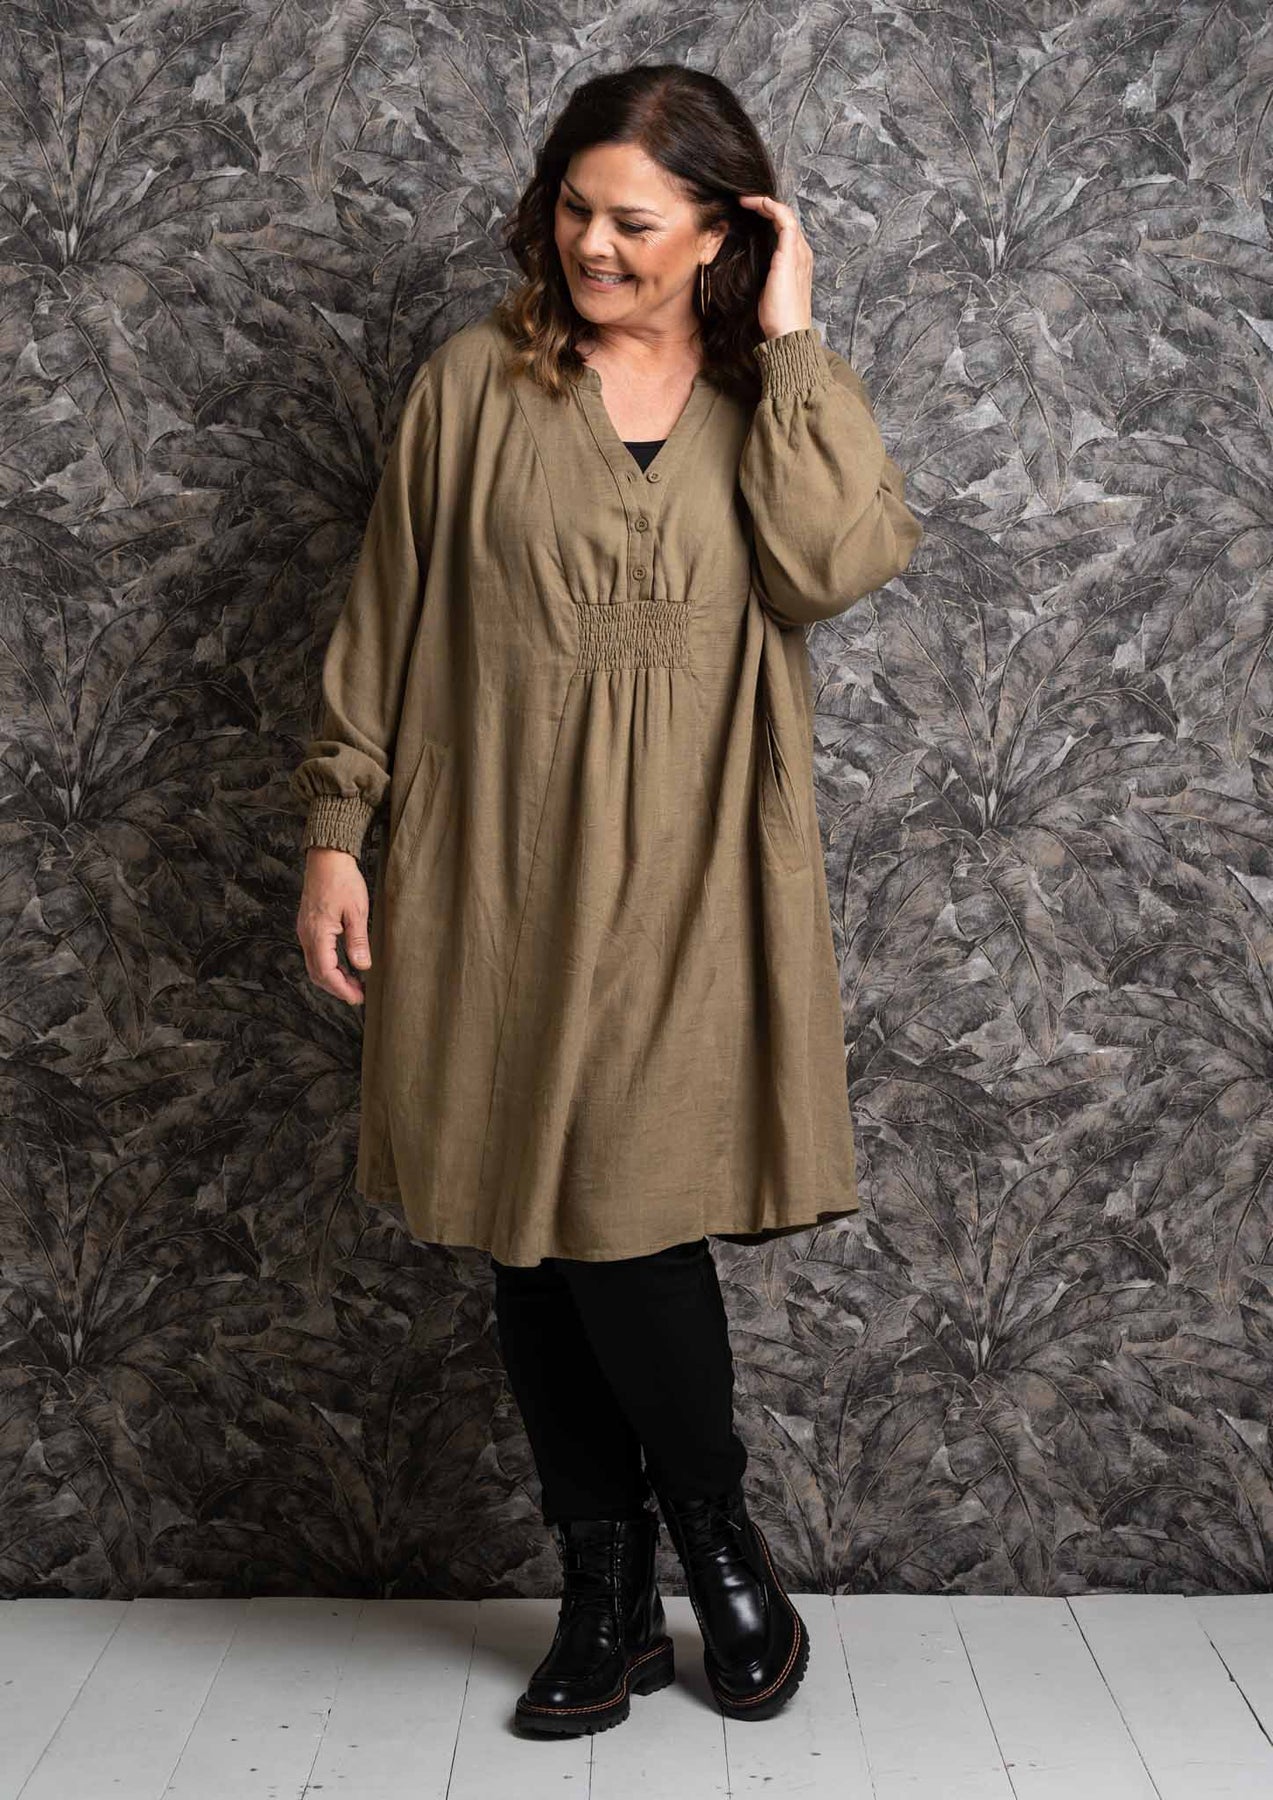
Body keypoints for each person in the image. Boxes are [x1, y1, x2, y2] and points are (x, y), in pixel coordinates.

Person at [291, 64, 923, 1737]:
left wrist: (792, 336)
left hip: (697, 878)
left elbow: (832, 564)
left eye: (635, 221)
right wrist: (340, 829)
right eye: (574, 209)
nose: (592, 245)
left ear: (721, 229)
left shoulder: (771, 400)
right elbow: (385, 615)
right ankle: (607, 1588)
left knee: (629, 1226)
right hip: (493, 868)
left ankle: (710, 1533)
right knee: (532, 1234)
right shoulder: (472, 386)